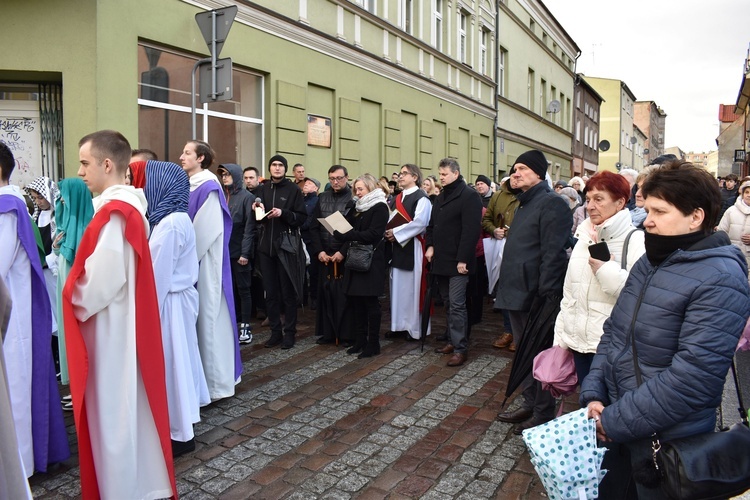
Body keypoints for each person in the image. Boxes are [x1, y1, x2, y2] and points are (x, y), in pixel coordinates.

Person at [582, 161, 750, 499]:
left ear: (696, 216)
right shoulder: (652, 260)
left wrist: (613, 421)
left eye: (660, 210)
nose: (648, 220)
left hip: (668, 441)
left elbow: (693, 379)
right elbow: (616, 332)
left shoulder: (721, 278)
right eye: (648, 208)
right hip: (620, 422)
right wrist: (595, 392)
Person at [62, 130, 175, 498]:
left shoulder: (114, 213)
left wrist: (71, 295)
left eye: (84, 162)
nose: (80, 172)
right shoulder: (127, 208)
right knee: (128, 406)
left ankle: (121, 489)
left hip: (110, 327)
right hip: (120, 322)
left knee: (113, 411)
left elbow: (103, 279)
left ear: (107, 164)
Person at [0, 143, 69, 478]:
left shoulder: (7, 208)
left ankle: (20, 465)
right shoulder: (14, 206)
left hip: (11, 318)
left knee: (14, 387)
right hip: (14, 313)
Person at [495, 149, 572, 434]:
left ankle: (542, 412)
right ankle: (530, 402)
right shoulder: (524, 203)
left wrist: (547, 295)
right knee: (523, 353)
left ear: (539, 173)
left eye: (523, 168)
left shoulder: (552, 203)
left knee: (538, 354)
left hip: (535, 295)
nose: (516, 173)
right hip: (516, 290)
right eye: (514, 168)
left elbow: (553, 254)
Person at [552, 171, 645, 385]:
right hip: (578, 342)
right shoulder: (583, 238)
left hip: (611, 347)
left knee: (608, 409)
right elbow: (569, 294)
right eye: (588, 199)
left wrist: (605, 269)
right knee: (588, 403)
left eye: (599, 199)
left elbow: (637, 294)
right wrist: (561, 339)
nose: (590, 206)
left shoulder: (636, 241)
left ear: (620, 202)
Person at [145, 160, 211, 457]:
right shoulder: (170, 217)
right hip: (176, 299)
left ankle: (180, 433)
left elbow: (156, 276)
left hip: (170, 302)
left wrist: (143, 313)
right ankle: (183, 420)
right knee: (180, 360)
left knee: (173, 364)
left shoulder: (171, 222)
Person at [180, 140, 242, 400]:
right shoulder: (190, 185)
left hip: (205, 265)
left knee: (209, 321)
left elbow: (206, 231)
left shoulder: (208, 188)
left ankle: (217, 385)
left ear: (201, 158)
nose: (181, 157)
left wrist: (182, 259)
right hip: (192, 263)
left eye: (187, 153)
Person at [426, 158, 483, 367]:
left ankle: (461, 348)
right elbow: (432, 225)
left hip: (459, 262)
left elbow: (471, 231)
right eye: (439, 174)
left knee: (458, 304)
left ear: (456, 174)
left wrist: (462, 259)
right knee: (448, 303)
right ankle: (451, 340)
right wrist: (430, 246)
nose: (440, 177)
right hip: (441, 259)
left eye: (444, 174)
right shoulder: (441, 196)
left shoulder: (469, 196)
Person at [253, 154, 307, 349]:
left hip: (285, 247)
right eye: (274, 165)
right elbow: (259, 219)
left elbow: (301, 217)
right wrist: (257, 210)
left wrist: (283, 213)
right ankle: (275, 332)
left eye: (280, 165)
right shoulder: (263, 188)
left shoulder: (293, 190)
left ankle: (289, 333)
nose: (277, 168)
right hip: (266, 248)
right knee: (271, 293)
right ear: (269, 168)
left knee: (287, 292)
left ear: (285, 169)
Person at [333, 174, 389, 358]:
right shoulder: (357, 207)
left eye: (361, 189)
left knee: (370, 303)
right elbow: (350, 227)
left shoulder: (380, 207)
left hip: (371, 261)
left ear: (370, 188)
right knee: (356, 301)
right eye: (356, 189)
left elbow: (373, 234)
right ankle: (360, 340)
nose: (357, 192)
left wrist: (347, 235)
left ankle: (373, 343)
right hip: (355, 259)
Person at [52, 178, 94, 401]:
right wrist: (58, 247)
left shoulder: (88, 227)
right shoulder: (66, 225)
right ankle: (75, 386)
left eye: (64, 196)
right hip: (65, 287)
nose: (60, 201)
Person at [385, 164, 432, 341]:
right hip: (397, 247)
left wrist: (396, 233)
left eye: (405, 174)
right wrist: (388, 230)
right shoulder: (397, 197)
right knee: (397, 287)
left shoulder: (422, 198)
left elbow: (420, 223)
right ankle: (398, 326)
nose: (400, 177)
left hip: (413, 247)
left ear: (415, 177)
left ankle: (414, 329)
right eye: (400, 174)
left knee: (412, 289)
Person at [309, 165, 355, 345]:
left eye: (339, 178)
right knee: (325, 294)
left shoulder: (353, 199)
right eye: (332, 179)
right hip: (325, 254)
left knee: (344, 296)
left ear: (347, 177)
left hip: (343, 254)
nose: (335, 182)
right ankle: (327, 332)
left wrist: (342, 252)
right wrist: (319, 251)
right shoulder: (323, 198)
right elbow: (314, 227)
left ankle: (346, 334)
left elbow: (354, 230)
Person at [218, 163, 256, 345]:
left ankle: (246, 326)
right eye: (222, 174)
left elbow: (249, 228)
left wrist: (245, 253)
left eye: (227, 174)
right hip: (223, 251)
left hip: (239, 251)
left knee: (243, 289)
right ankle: (232, 324)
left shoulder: (247, 197)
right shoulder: (222, 195)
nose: (224, 177)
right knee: (227, 289)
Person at [482, 175, 520, 350]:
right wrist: (493, 230)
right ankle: (508, 331)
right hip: (499, 248)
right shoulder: (498, 196)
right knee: (503, 289)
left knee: (519, 290)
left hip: (520, 249)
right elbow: (487, 219)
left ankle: (519, 334)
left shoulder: (527, 195)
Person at [718, 180, 750, 281]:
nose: (749, 195)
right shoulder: (731, 211)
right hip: (731, 257)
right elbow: (721, 233)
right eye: (747, 192)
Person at [300, 176, 320, 310]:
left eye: (309, 183)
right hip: (301, 239)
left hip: (310, 239)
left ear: (316, 188)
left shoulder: (316, 201)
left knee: (313, 271)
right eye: (305, 183)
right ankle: (302, 298)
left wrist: (299, 225)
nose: (306, 185)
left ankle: (314, 298)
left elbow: (312, 220)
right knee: (301, 269)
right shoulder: (301, 200)